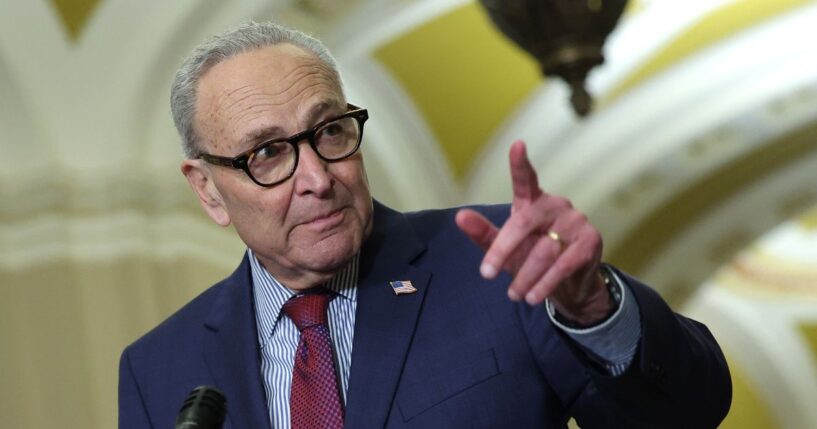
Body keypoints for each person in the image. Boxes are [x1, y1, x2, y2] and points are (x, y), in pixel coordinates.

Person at [118, 21, 731, 428]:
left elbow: (689, 410)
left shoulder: (496, 264)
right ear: (208, 191)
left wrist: (596, 314)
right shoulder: (159, 370)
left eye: (329, 131)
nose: (317, 178)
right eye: (268, 154)